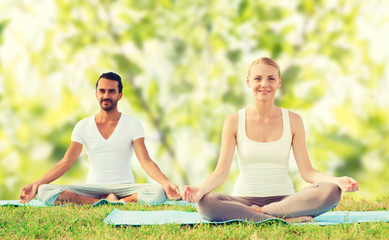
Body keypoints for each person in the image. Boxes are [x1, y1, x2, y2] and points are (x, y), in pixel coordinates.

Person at [182, 57, 359, 222]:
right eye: (258, 78)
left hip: (285, 200)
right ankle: (284, 219)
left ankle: (262, 216)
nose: (264, 84)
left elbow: (308, 172)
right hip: (243, 201)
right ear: (248, 82)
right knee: (206, 204)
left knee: (331, 191)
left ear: (279, 82)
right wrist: (201, 191)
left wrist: (336, 180)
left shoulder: (293, 120)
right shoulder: (234, 121)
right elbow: (221, 172)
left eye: (271, 79)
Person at [20, 72, 181, 205]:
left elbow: (145, 161)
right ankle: (102, 201)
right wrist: (36, 184)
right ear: (96, 94)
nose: (106, 95)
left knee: (158, 191)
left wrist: (166, 182)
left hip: (125, 187)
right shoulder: (83, 126)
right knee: (44, 191)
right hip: (92, 187)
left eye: (111, 91)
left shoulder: (133, 124)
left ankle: (116, 201)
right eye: (102, 91)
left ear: (120, 95)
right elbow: (66, 162)